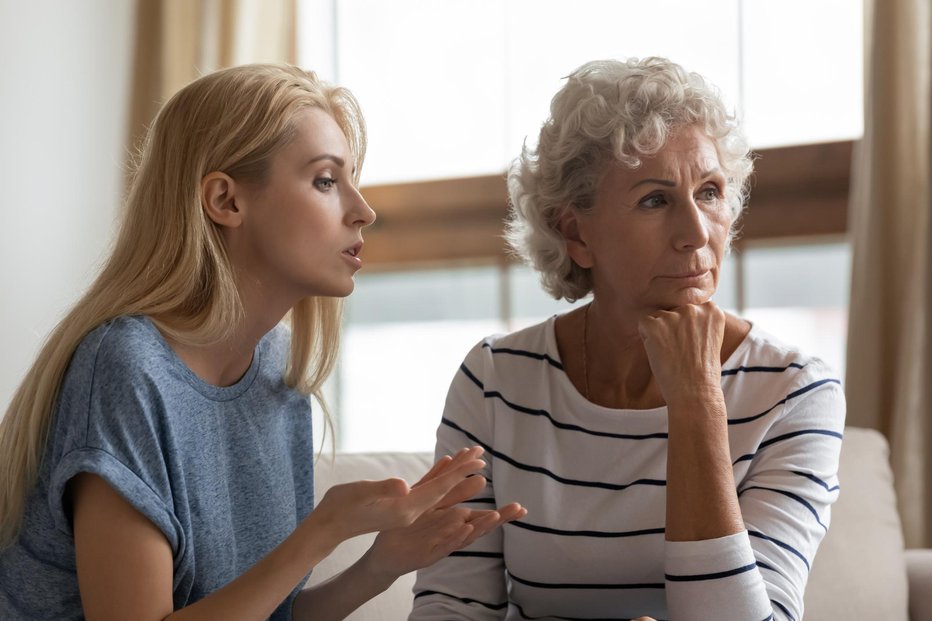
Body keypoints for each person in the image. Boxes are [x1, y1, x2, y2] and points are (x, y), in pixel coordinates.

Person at [0, 63, 525, 621]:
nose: (363, 210)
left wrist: (381, 565)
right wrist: (321, 531)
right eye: (326, 180)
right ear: (226, 201)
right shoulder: (127, 368)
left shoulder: (278, 372)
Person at [410, 57, 845, 621]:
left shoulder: (794, 393)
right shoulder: (496, 379)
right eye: (654, 200)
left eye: (710, 192)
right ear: (576, 234)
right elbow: (450, 608)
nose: (696, 235)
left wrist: (698, 404)